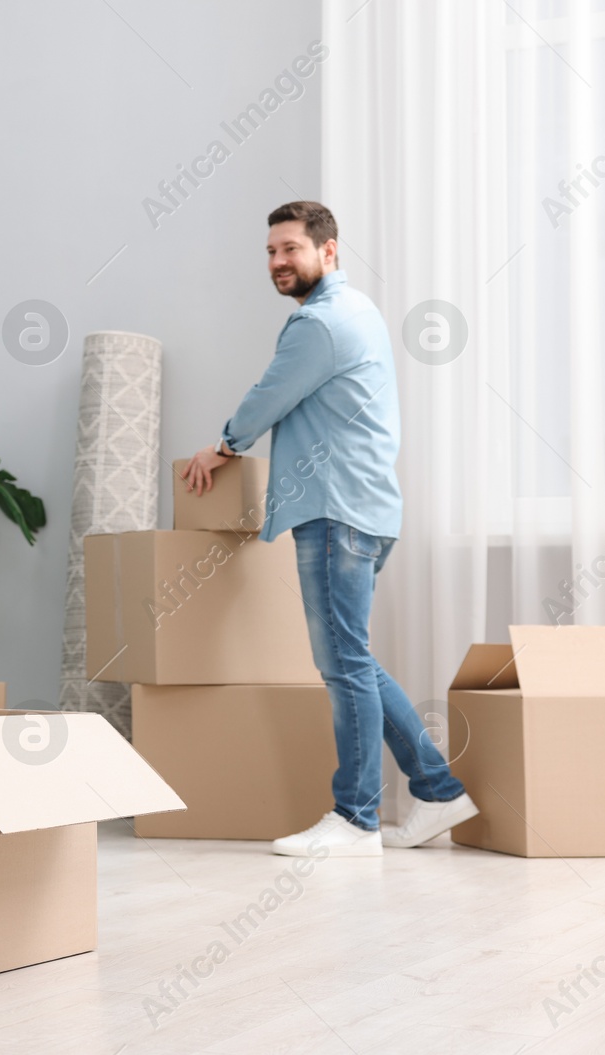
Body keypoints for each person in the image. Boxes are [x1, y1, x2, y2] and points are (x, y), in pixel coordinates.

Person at [180, 201, 478, 858]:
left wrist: (222, 447)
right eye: (270, 251)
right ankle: (437, 790)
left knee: (342, 662)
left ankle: (356, 818)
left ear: (329, 250)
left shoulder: (320, 324)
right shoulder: (358, 310)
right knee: (354, 658)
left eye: (290, 248)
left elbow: (269, 395)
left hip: (338, 508)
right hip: (361, 507)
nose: (278, 261)